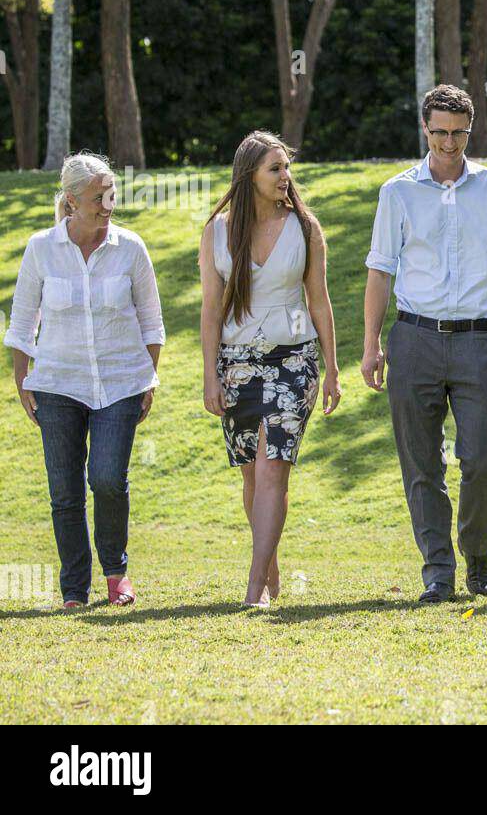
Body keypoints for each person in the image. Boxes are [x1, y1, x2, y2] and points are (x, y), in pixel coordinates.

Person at [362, 84, 487, 604]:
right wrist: (371, 344)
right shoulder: (398, 192)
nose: (449, 143)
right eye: (440, 133)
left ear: (469, 131)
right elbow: (380, 269)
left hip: (479, 341)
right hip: (414, 339)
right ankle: (438, 569)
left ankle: (477, 554)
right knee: (421, 463)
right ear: (425, 130)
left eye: (458, 133)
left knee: (482, 458)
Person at [5, 151, 165, 609]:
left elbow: (152, 322)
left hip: (120, 383)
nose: (108, 205)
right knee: (64, 492)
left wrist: (147, 377)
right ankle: (75, 589)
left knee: (109, 478)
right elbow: (22, 323)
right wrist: (23, 381)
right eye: (99, 197)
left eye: (111, 195)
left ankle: (117, 573)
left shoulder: (131, 248)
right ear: (72, 201)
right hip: (56, 384)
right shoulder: (41, 248)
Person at [199, 131, 341, 608]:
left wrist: (333, 369)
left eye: (286, 168)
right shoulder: (217, 231)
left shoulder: (305, 227)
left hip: (293, 361)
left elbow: (319, 302)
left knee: (273, 467)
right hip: (235, 364)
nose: (285, 177)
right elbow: (210, 312)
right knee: (251, 475)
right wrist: (208, 375)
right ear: (249, 176)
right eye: (274, 169)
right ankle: (270, 565)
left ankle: (254, 585)